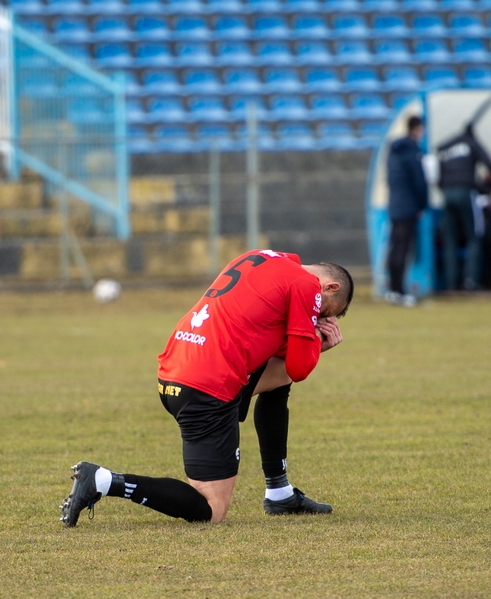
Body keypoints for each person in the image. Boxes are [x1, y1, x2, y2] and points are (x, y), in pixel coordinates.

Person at [60, 250, 354, 527]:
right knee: (212, 509)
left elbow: (278, 355)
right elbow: (300, 368)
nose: (318, 319)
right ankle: (104, 480)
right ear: (329, 287)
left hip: (175, 372)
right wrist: (318, 342)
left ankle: (279, 492)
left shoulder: (261, 257)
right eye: (323, 313)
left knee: (279, 374)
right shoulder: (306, 286)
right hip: (205, 389)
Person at [436, 123, 491, 291]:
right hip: (466, 191)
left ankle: (451, 283)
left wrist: (444, 188)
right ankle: (470, 281)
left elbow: (437, 173)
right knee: (475, 236)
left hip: (447, 194)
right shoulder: (470, 142)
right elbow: (488, 162)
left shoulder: (446, 146)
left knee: (450, 240)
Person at [385, 115, 428, 307]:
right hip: (409, 207)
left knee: (395, 248)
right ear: (418, 128)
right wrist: (422, 205)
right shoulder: (412, 151)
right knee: (403, 250)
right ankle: (400, 291)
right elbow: (419, 181)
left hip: (395, 205)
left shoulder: (393, 151)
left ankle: (393, 289)